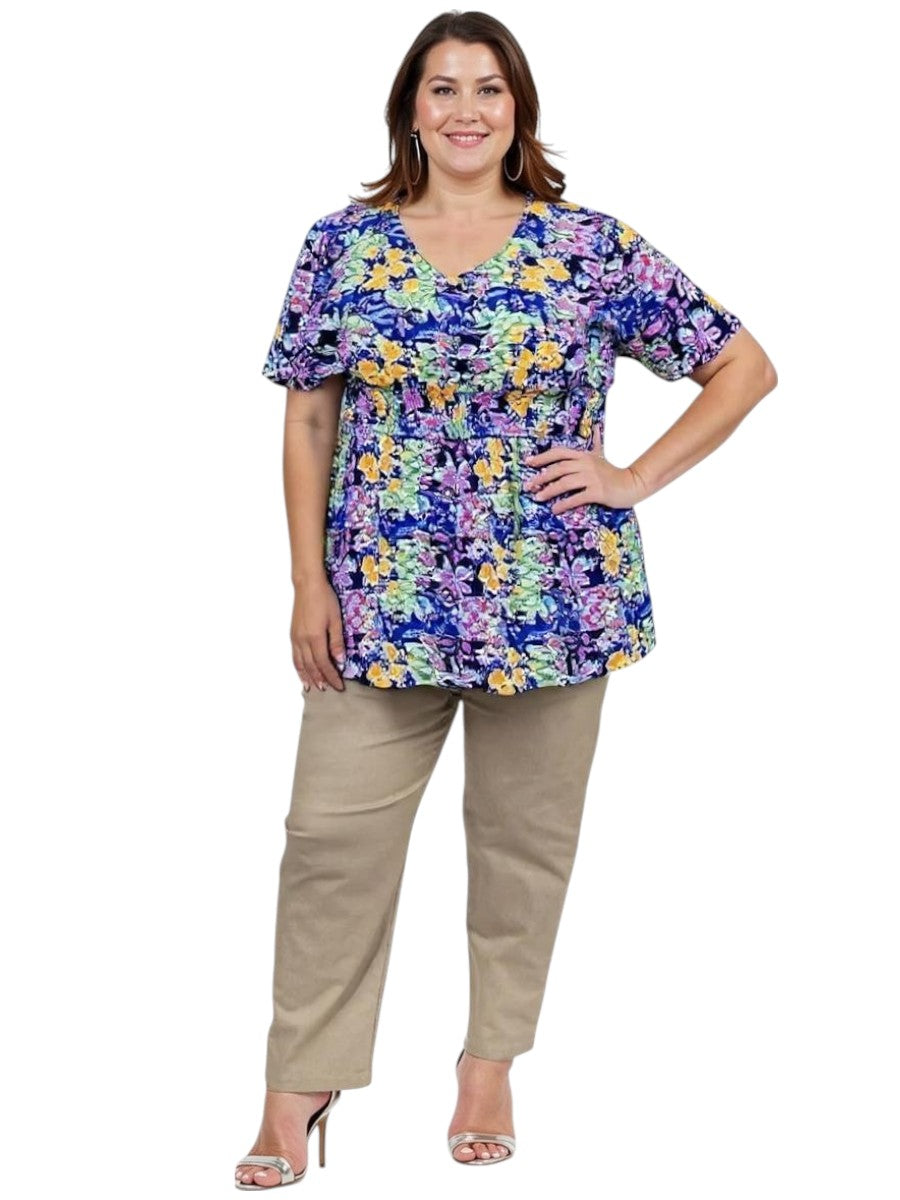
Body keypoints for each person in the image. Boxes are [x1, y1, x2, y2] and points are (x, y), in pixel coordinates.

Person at [235, 9, 777, 1189]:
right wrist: (306, 580)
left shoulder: (590, 248)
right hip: (376, 600)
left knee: (523, 846)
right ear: (410, 111)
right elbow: (309, 416)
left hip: (555, 596)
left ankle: (489, 1065)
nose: (466, 109)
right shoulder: (342, 247)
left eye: (488, 88)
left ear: (519, 108)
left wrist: (635, 477)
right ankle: (299, 1083)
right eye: (443, 88)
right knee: (329, 840)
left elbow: (742, 365)